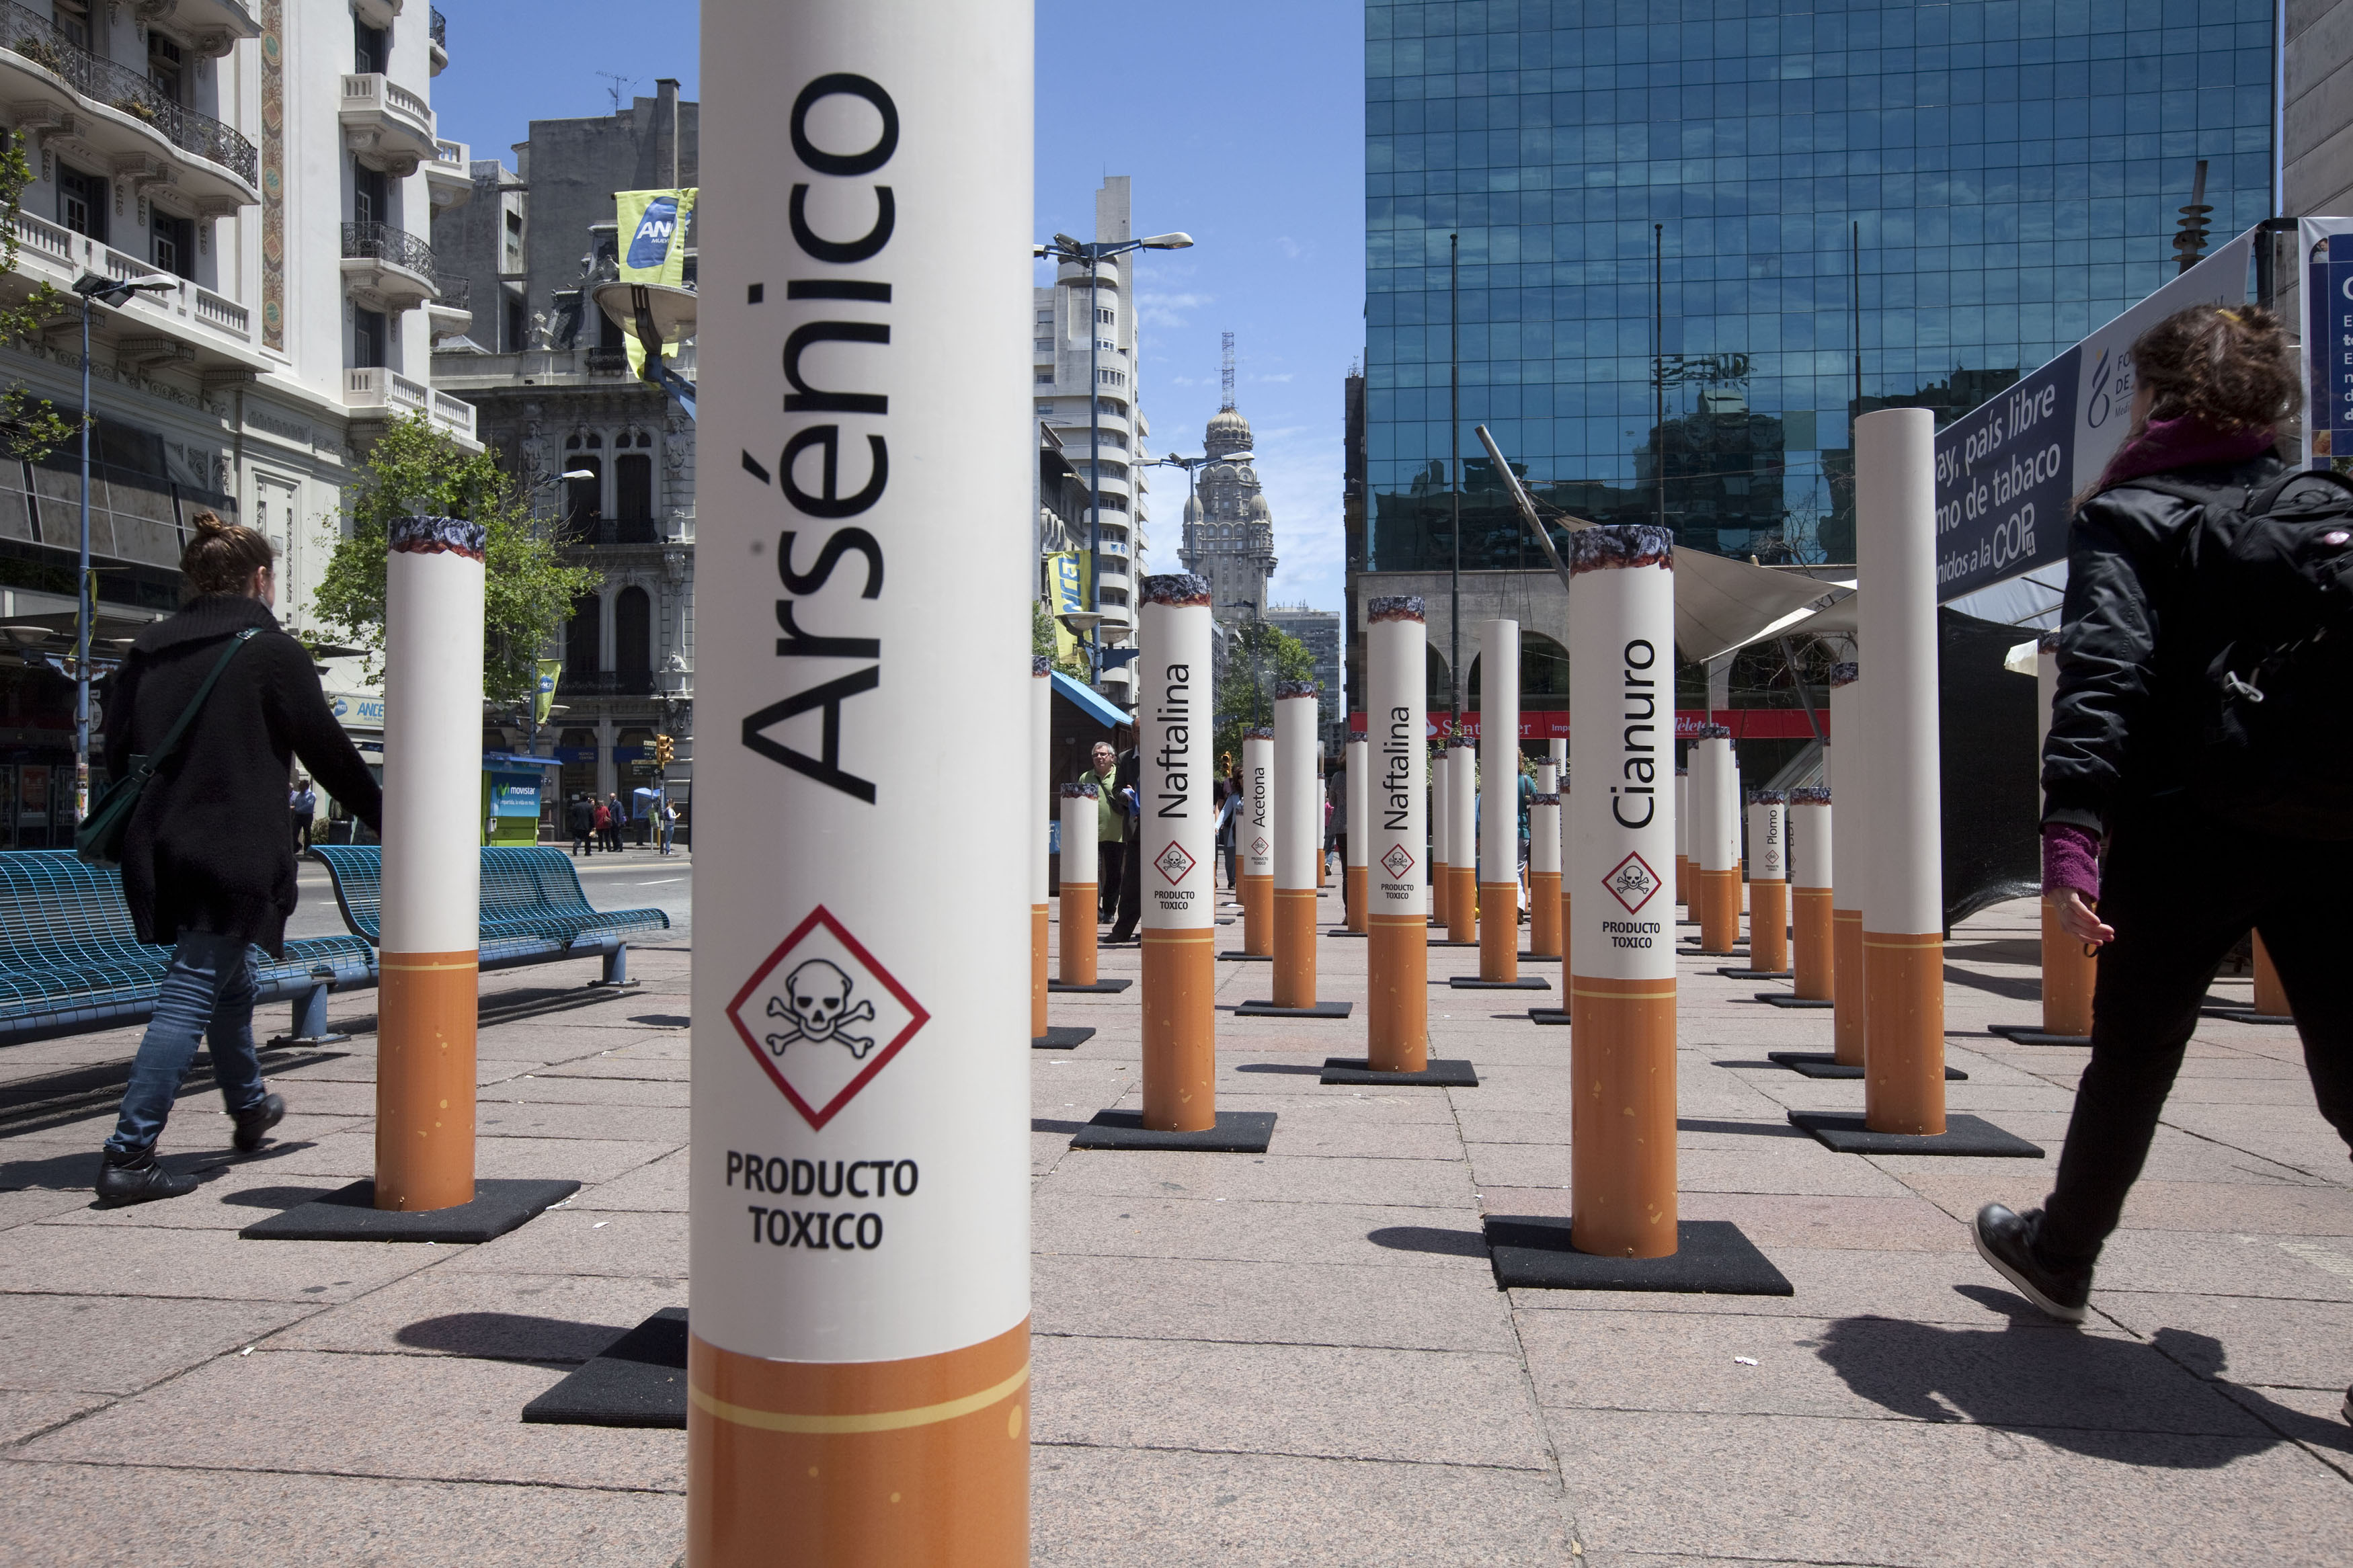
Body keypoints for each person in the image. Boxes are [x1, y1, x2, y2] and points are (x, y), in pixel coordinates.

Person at [1971, 307, 2353, 1423]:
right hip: (2339, 830)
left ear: (2155, 399)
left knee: (2134, 1056)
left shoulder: (2133, 514)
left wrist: (2073, 837)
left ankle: (2061, 1252)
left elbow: (2107, 674)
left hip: (2188, 834)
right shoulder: (2328, 506)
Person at [93, 514, 383, 1206]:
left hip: (160, 843)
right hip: (234, 846)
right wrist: (390, 819)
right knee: (195, 982)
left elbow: (117, 751)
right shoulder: (270, 651)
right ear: (259, 579)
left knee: (228, 978)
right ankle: (130, 1152)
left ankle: (249, 1107)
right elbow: (327, 750)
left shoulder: (147, 650)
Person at [1082, 740, 1123, 923]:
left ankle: (1109, 911)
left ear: (1112, 757)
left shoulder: (1120, 776)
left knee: (1114, 875)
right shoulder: (1085, 778)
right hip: (1092, 836)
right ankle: (1095, 910)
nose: (1099, 757)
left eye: (1103, 754)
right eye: (1095, 755)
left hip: (1117, 835)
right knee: (1092, 874)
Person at [288, 774, 316, 852]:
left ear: (306, 786)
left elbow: (309, 805)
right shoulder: (299, 795)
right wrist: (295, 809)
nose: (299, 787)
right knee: (294, 832)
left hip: (307, 816)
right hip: (298, 816)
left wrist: (298, 810)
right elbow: (296, 803)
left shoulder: (311, 795)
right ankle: (297, 846)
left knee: (307, 833)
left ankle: (307, 850)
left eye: (301, 785)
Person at [569, 792, 596, 857]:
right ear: (587, 799)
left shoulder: (576, 806)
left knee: (578, 837)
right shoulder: (589, 806)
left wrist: (573, 823)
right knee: (588, 840)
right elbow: (592, 817)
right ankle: (587, 852)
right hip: (587, 825)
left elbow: (573, 815)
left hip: (578, 825)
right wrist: (593, 825)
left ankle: (576, 845)